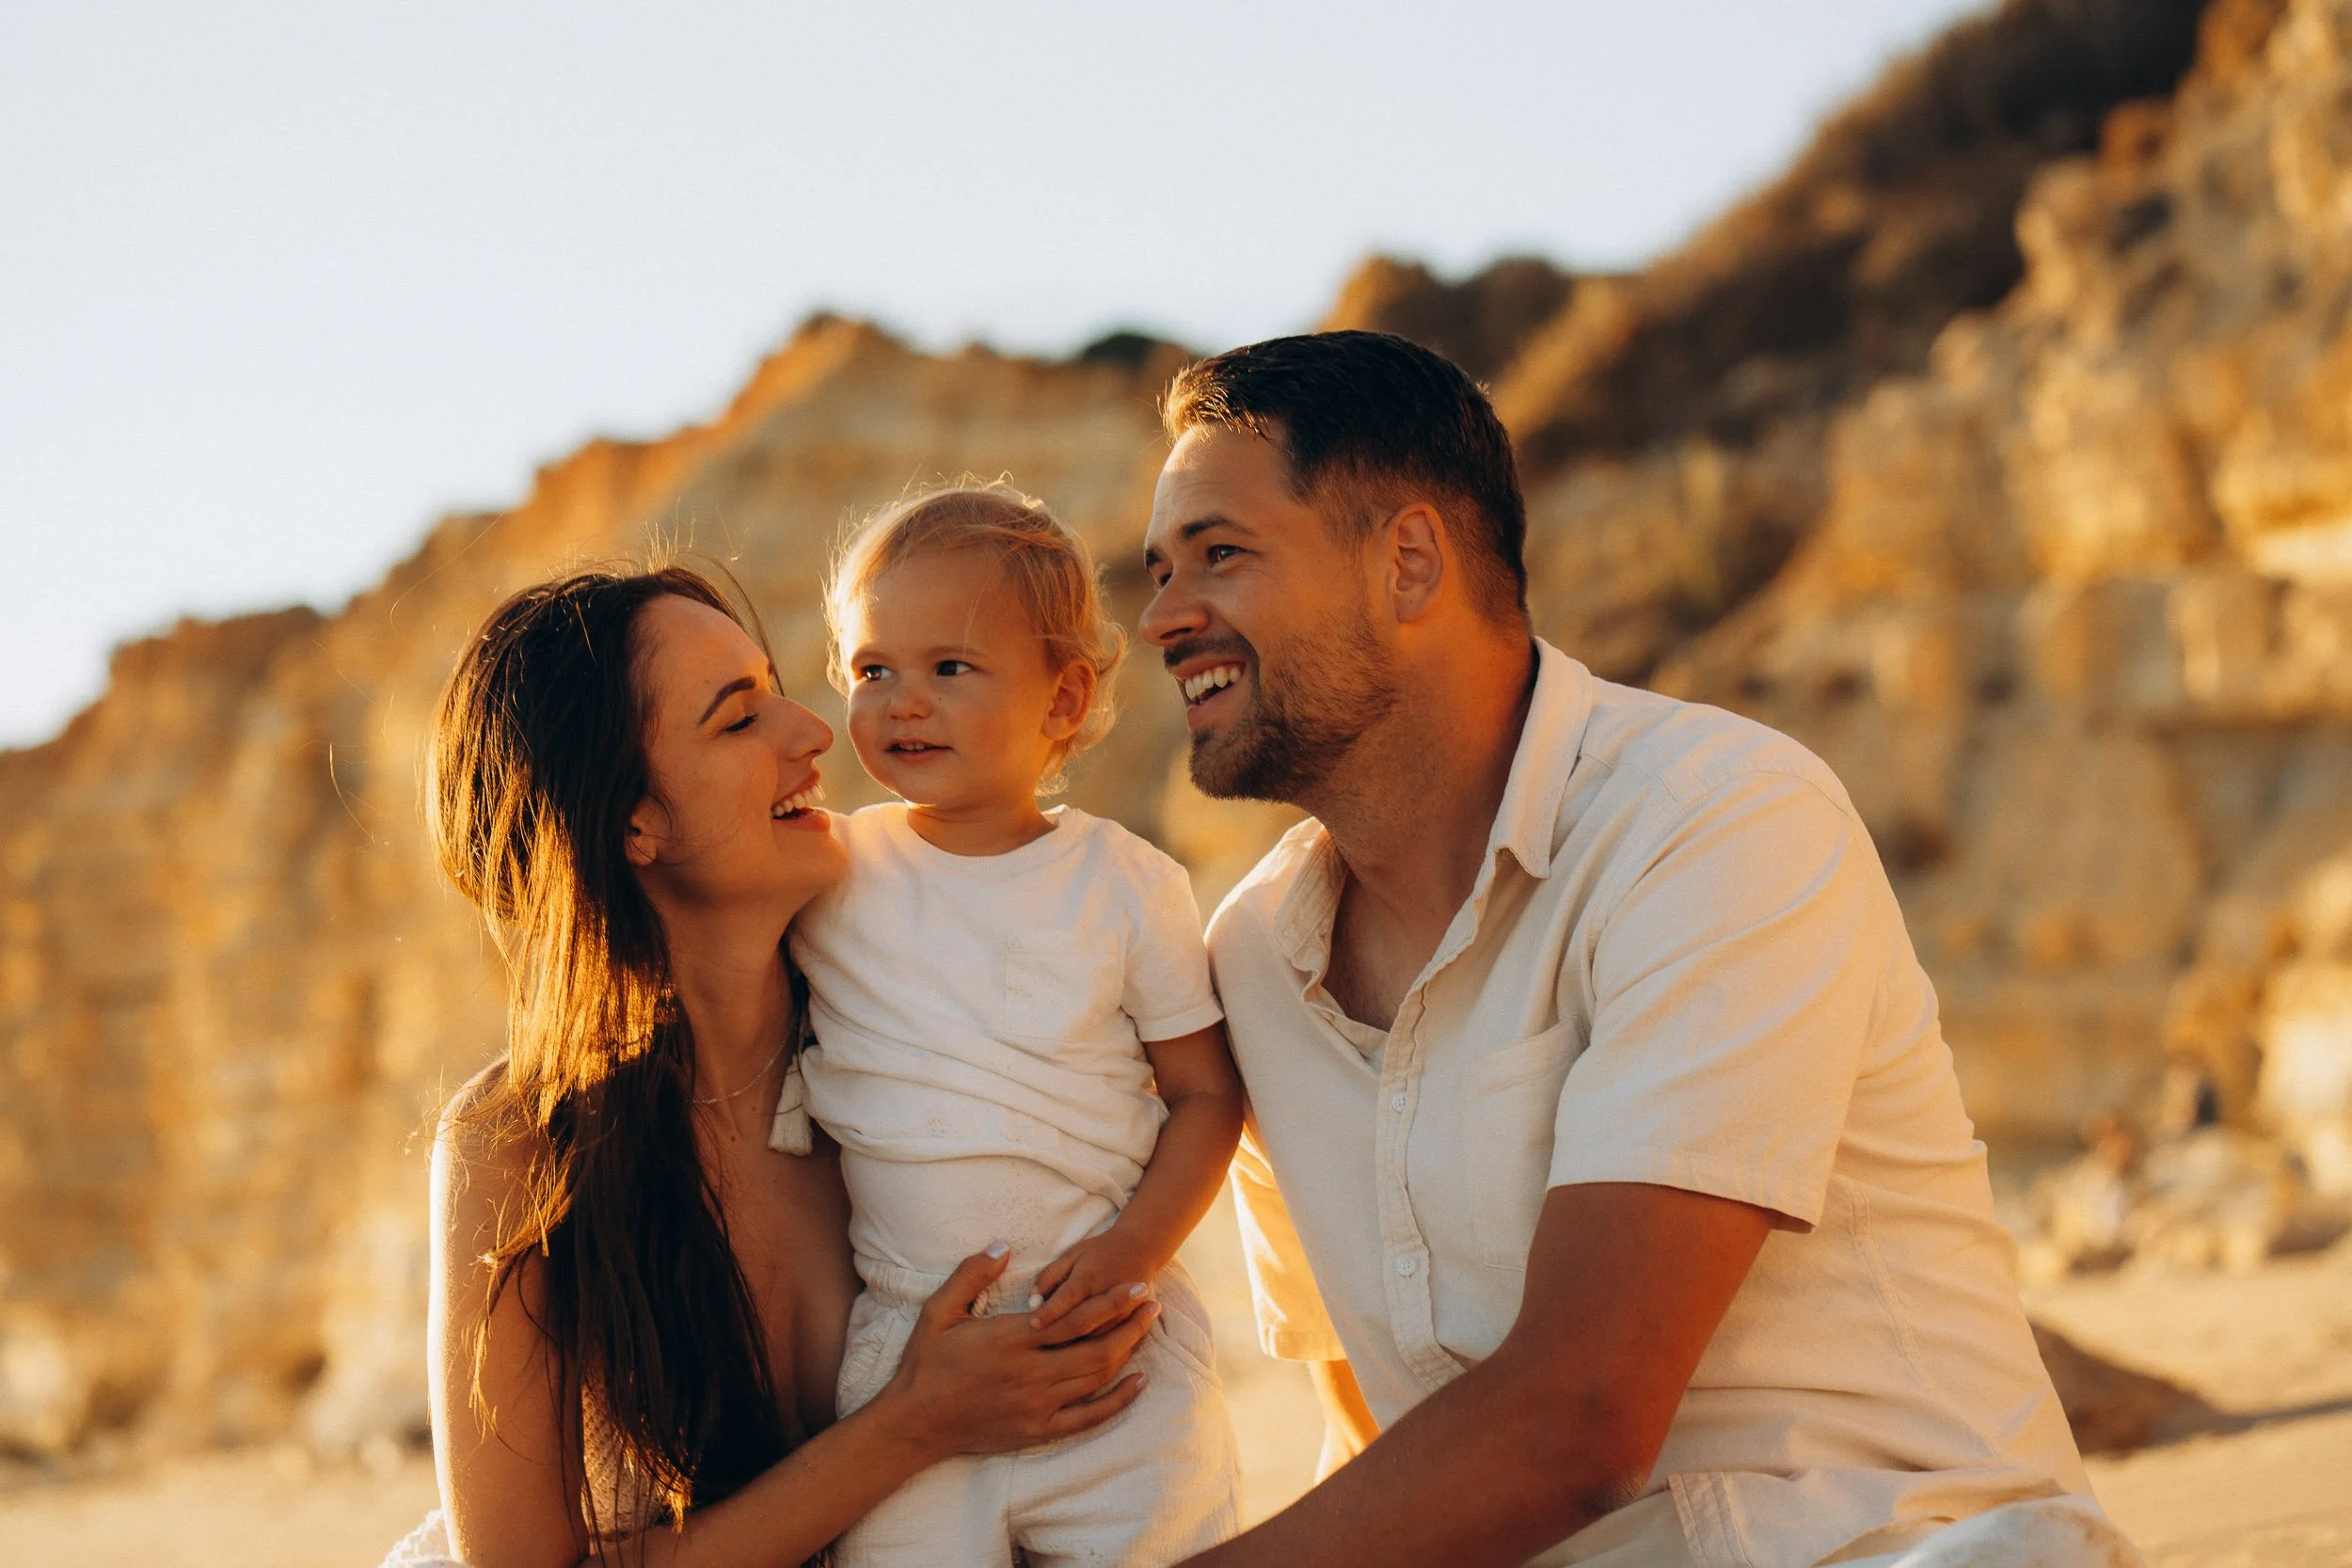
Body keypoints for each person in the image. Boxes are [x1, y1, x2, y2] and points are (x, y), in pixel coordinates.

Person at [1137, 333, 2133, 1568]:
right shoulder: (1250, 964)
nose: (1164, 617)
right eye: (1159, 571)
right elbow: (1372, 1435)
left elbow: (1583, 1415)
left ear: (1407, 561)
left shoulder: (1714, 817)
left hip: (1884, 1543)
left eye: (1219, 556)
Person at [394, 563, 1159, 1568]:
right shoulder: (522, 1139)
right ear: (635, 820)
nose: (813, 731)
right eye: (738, 716)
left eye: (778, 690)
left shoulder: (915, 1041)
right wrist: (912, 1424)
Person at [793, 486, 1245, 1566]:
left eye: (950, 668)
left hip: (1105, 1334)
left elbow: (1207, 1094)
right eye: (871, 669)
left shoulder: (1126, 883)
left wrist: (1134, 1250)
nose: (903, 700)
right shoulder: (828, 868)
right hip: (909, 1340)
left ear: (1063, 695)